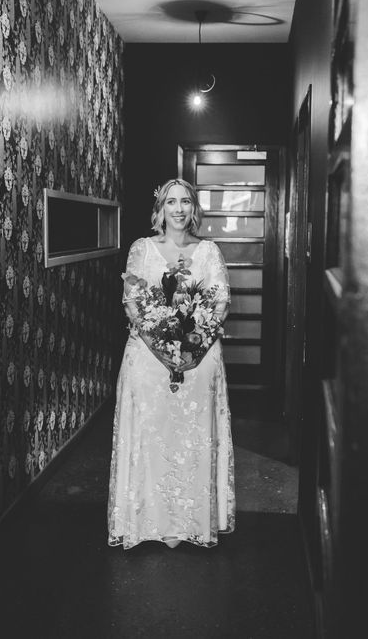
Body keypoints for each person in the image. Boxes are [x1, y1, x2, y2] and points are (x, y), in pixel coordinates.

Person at [107, 178, 236, 549]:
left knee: (192, 437)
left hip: (198, 358)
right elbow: (133, 303)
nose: (178, 209)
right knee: (153, 434)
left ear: (193, 208)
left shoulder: (209, 251)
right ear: (160, 209)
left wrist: (193, 349)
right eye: (171, 202)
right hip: (148, 358)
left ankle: (190, 521)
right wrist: (162, 348)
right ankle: (152, 521)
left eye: (185, 202)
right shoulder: (142, 249)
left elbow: (219, 303)